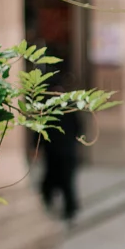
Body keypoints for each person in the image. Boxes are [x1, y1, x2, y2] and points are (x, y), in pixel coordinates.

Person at [40, 80, 82, 224]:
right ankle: (67, 208)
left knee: (62, 182)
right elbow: (79, 129)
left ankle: (68, 208)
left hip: (57, 152)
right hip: (61, 152)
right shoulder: (67, 108)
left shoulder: (54, 108)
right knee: (60, 181)